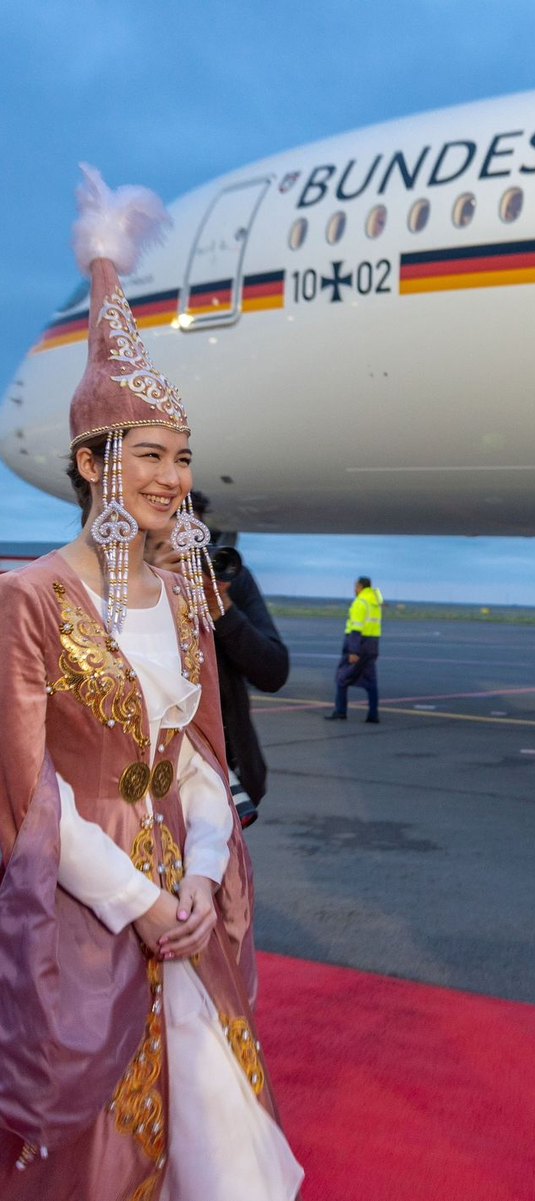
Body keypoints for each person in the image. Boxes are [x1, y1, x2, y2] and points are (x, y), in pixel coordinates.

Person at [0, 167, 302, 1199]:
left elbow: (200, 759)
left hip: (189, 905)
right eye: (151, 455)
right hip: (89, 916)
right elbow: (26, 791)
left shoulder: (185, 597)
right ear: (93, 465)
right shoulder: (29, 599)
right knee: (95, 1149)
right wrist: (137, 901)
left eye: (183, 457)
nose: (175, 479)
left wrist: (206, 874)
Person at [147, 493, 289, 828]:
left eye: (195, 540)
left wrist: (222, 609)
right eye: (175, 544)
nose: (189, 556)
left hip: (229, 780)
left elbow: (274, 673)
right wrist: (153, 591)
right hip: (148, 784)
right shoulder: (120, 589)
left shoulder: (225, 582)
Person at [326, 575, 383, 722]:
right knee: (371, 682)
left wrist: (353, 650)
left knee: (342, 678)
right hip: (372, 645)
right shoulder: (374, 603)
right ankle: (373, 715)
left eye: (355, 586)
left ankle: (340, 711)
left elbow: (356, 628)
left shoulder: (360, 602)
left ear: (359, 587)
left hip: (359, 644)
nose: (354, 589)